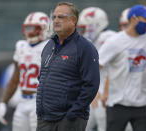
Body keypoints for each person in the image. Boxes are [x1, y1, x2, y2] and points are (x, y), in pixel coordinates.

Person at [36, 2, 100, 131]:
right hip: (45, 118)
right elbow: (42, 77)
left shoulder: (85, 47)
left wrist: (73, 113)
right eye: (54, 17)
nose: (56, 20)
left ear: (73, 20)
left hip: (69, 119)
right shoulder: (49, 45)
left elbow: (91, 84)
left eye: (61, 17)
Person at [98, 5, 146, 131]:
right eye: (145, 19)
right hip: (118, 104)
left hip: (142, 104)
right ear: (134, 19)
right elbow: (97, 65)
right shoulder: (115, 41)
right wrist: (99, 91)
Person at [0, 12, 51, 131]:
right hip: (22, 101)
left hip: (41, 102)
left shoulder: (50, 47)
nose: (29, 32)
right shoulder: (21, 46)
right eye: (27, 28)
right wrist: (3, 102)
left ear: (44, 29)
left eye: (33, 28)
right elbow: (15, 79)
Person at [77, 7, 116, 131]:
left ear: (96, 25)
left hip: (107, 91)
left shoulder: (109, 38)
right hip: (96, 90)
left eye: (85, 28)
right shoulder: (93, 40)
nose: (82, 32)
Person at [0, 63, 21, 131]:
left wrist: (1, 102)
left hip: (13, 103)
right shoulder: (10, 68)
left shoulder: (10, 67)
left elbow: (1, 88)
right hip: (17, 104)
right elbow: (1, 87)